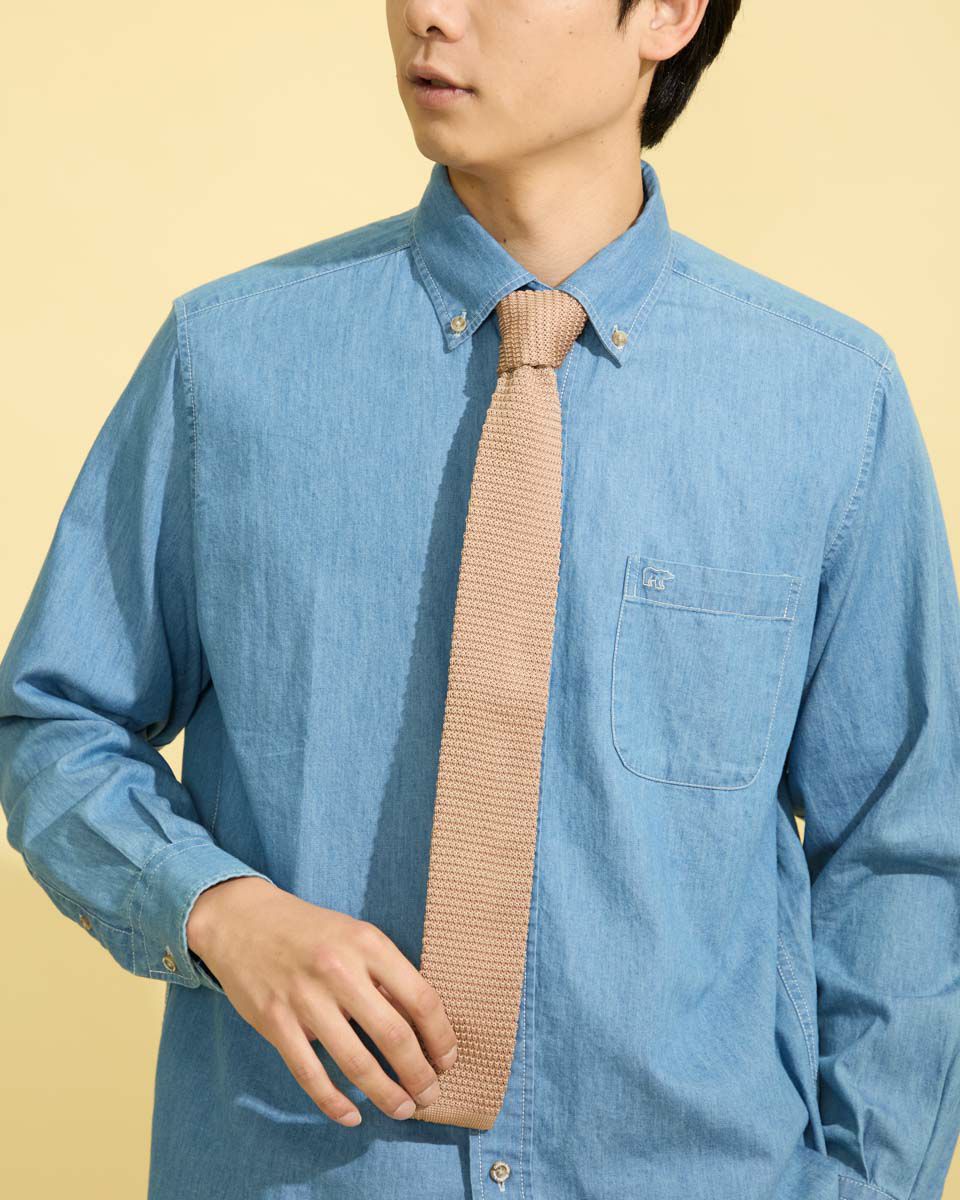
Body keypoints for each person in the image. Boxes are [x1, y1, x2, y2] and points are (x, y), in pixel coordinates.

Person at [2, 1, 959, 1197]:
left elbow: (906, 854)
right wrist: (217, 910)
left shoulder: (828, 405)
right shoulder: (228, 363)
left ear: (668, 14)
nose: (428, 14)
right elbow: (54, 721)